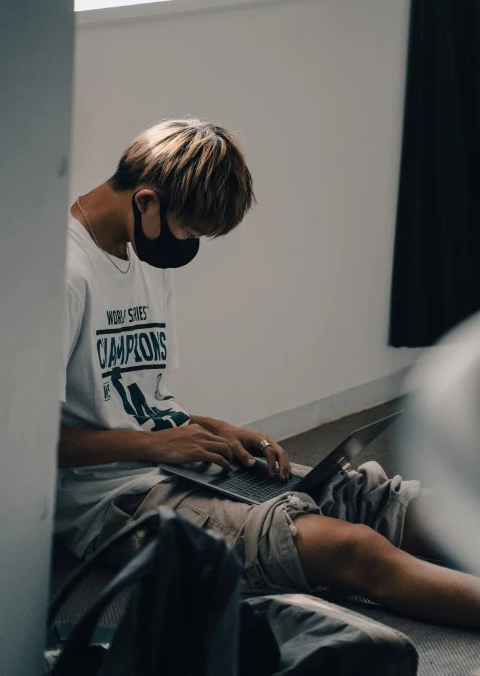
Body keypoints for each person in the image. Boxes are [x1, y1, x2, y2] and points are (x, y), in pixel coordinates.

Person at [56, 117, 480, 629]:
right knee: (354, 549)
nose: (188, 245)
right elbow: (32, 447)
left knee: (378, 499)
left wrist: (215, 429)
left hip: (175, 460)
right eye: (188, 230)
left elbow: (132, 400)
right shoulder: (64, 276)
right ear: (146, 200)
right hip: (114, 500)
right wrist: (156, 447)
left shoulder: (144, 254)